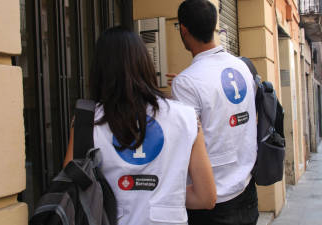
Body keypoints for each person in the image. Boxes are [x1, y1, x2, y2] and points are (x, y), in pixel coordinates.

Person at [64, 26, 216, 225]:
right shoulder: (187, 117)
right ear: (146, 64)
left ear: (100, 69)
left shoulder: (86, 121)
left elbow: (73, 190)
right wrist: (165, 196)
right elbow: (206, 197)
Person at [168, 0, 259, 224]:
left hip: (213, 202)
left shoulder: (187, 82)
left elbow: (185, 142)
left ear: (183, 29)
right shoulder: (242, 67)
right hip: (247, 189)